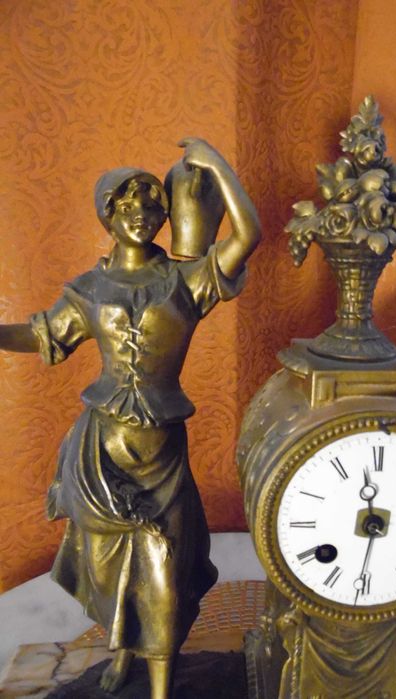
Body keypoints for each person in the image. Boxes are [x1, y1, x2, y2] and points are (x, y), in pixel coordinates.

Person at [0, 138, 260, 698]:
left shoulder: (185, 282)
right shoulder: (89, 290)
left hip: (162, 452)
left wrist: (216, 164)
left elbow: (247, 237)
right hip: (103, 451)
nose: (140, 215)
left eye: (150, 206)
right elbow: (43, 334)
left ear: (165, 216)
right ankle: (122, 653)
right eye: (125, 206)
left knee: (165, 572)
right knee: (114, 570)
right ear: (107, 215)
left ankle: (161, 687)